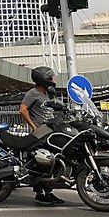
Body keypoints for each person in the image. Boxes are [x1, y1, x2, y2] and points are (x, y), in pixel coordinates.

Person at [19, 65, 64, 206]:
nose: (52, 80)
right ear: (43, 79)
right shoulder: (32, 93)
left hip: (51, 133)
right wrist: (33, 126)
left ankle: (49, 193)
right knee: (40, 164)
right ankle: (40, 194)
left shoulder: (49, 93)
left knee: (52, 163)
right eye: (50, 77)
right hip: (39, 135)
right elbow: (22, 109)